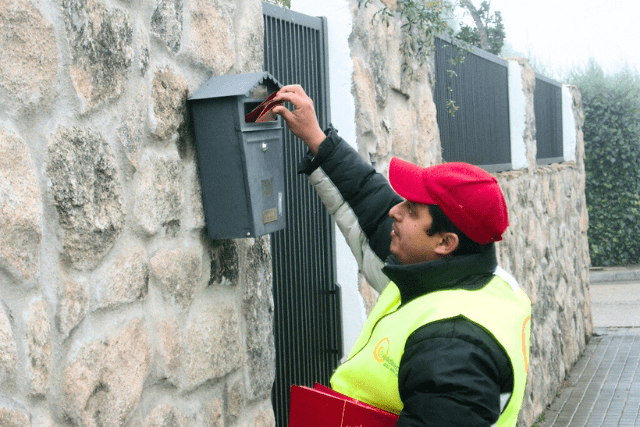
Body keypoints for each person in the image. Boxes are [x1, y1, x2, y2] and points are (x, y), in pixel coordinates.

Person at [272, 85, 532, 427]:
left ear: (445, 242)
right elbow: (371, 198)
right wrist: (317, 138)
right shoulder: (446, 273)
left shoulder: (454, 348)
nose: (396, 211)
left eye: (412, 209)